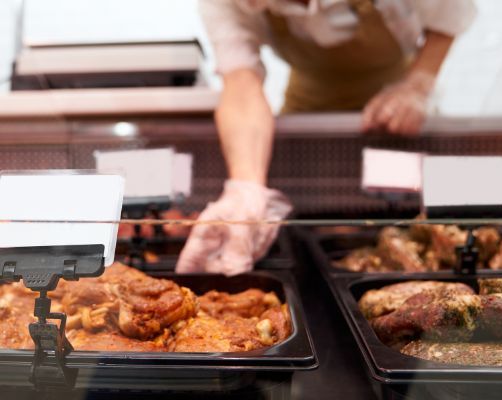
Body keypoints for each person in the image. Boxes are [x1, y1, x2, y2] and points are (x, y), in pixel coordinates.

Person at [176, 0, 476, 276]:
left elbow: (452, 11)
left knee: (410, 226)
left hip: (393, 105)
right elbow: (241, 83)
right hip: (309, 98)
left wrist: (418, 83)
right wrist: (246, 187)